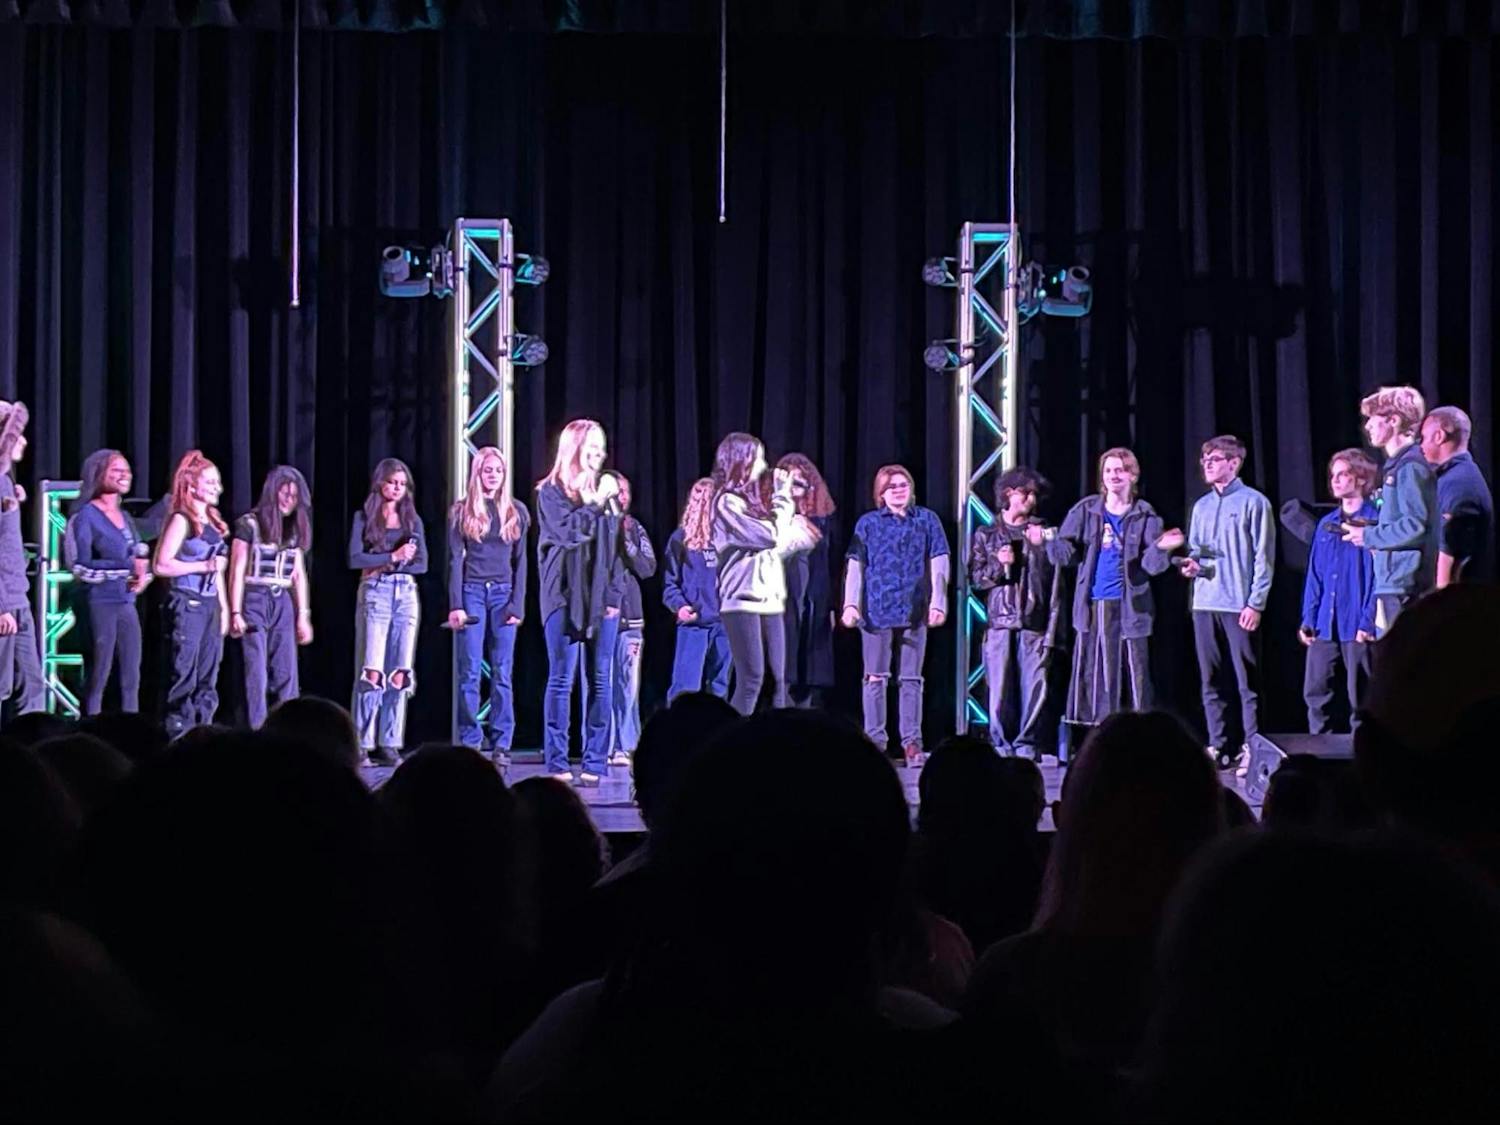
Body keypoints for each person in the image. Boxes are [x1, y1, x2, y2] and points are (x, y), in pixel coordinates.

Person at [1048, 448, 1173, 742]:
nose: (1113, 476)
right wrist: (1050, 540)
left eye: (1119, 470)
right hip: (1094, 603)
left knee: (1136, 673)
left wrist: (1163, 547)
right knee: (1099, 673)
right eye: (1108, 471)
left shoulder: (1144, 514)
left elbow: (1151, 566)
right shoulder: (1087, 510)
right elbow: (1066, 554)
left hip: (1132, 606)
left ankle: (1141, 739)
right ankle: (1102, 740)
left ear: (1132, 475)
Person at [1170, 435, 1274, 773]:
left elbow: (1264, 557)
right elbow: (1200, 552)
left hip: (1239, 604)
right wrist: (1192, 565)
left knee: (1247, 681)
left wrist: (1255, 603)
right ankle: (1219, 744)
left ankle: (1252, 746)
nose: (1207, 465)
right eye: (1205, 460)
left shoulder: (1254, 502)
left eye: (1215, 459)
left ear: (1234, 462)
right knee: (1210, 679)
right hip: (1205, 603)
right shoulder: (1200, 506)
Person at [842, 464, 949, 766]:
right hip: (876, 611)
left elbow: (939, 561)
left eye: (903, 484)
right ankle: (876, 742)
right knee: (875, 679)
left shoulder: (927, 520)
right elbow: (855, 565)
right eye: (892, 486)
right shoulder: (868, 524)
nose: (899, 490)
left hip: (915, 610)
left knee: (912, 679)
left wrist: (938, 602)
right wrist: (851, 604)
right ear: (881, 493)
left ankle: (912, 743)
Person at [535, 419, 624, 786]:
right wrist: (597, 503)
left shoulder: (606, 495)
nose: (599, 455)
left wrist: (615, 595)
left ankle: (595, 762)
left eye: (601, 448)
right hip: (562, 595)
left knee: (601, 679)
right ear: (573, 449)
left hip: (601, 598)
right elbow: (570, 533)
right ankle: (557, 762)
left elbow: (618, 550)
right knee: (561, 678)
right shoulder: (550, 492)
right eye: (592, 447)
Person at [710, 432, 818, 716]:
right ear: (741, 461)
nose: (764, 465)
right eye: (758, 458)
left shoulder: (755, 504)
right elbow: (767, 537)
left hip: (770, 599)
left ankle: (774, 746)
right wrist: (783, 496)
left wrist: (797, 539)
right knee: (752, 679)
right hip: (742, 601)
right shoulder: (726, 503)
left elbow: (771, 548)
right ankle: (731, 744)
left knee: (777, 680)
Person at [968, 467, 1063, 760]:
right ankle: (1000, 742)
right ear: (1009, 493)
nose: (1031, 499)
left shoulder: (1043, 533)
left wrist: (1052, 628)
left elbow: (1057, 583)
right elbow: (976, 579)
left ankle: (1027, 742)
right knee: (998, 687)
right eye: (1026, 493)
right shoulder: (986, 534)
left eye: (1035, 494)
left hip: (1034, 620)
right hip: (1000, 621)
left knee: (1035, 687)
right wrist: (999, 564)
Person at [446, 447, 529, 767]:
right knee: (469, 671)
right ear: (477, 473)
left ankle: (501, 742)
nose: (493, 475)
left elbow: (521, 563)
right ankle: (470, 740)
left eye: (497, 470)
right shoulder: (462, 511)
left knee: (502, 671)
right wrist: (456, 604)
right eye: (487, 470)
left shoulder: (516, 511)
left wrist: (517, 604)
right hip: (472, 592)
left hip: (504, 594)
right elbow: (455, 560)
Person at [348, 458, 427, 765]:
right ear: (380, 483)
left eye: (402, 483)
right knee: (371, 671)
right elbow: (355, 558)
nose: (397, 488)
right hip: (376, 592)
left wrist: (395, 562)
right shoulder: (364, 517)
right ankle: (363, 742)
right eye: (392, 482)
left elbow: (422, 564)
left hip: (405, 592)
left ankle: (390, 740)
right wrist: (391, 557)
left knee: (399, 672)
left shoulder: (412, 521)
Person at [1343, 386, 1438, 635]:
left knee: (1402, 664)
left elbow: (1415, 525)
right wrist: (1374, 532)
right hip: (1392, 582)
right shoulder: (1396, 467)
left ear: (1393, 421)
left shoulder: (1410, 467)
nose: (1367, 427)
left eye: (1372, 420)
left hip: (1403, 584)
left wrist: (1369, 537)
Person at [64, 450, 150, 715]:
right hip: (100, 603)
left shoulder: (124, 517)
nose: (124, 475)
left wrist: (142, 576)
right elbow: (79, 565)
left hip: (127, 602)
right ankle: (89, 729)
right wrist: (125, 567)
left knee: (131, 675)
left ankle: (130, 730)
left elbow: (136, 556)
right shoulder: (86, 515)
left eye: (126, 470)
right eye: (116, 470)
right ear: (98, 473)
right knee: (99, 672)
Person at [151, 451, 230, 739]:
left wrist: (223, 608)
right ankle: (178, 735)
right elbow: (161, 564)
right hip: (186, 603)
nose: (216, 488)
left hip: (209, 605)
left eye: (217, 483)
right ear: (192, 485)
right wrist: (202, 565)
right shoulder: (181, 520)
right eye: (210, 482)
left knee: (209, 676)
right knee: (183, 674)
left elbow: (218, 572)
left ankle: (203, 732)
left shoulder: (212, 521)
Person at [1298, 450, 1378, 734]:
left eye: (1343, 474)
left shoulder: (1376, 522)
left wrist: (1368, 620)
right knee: (1316, 693)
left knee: (1361, 700)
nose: (1336, 481)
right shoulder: (1326, 523)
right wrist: (1309, 618)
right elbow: (1315, 575)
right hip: (1324, 624)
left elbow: (1379, 578)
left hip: (1357, 624)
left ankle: (1363, 761)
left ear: (1361, 478)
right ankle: (1321, 760)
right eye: (1334, 475)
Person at [229, 466, 313, 729]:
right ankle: (257, 729)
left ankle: (289, 730)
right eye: (285, 493)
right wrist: (235, 612)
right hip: (255, 596)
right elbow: (237, 568)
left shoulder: (294, 529)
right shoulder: (249, 524)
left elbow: (298, 574)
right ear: (272, 492)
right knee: (256, 671)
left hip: (282, 600)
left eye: (294, 496)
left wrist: (303, 617)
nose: (289, 500)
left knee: (287, 670)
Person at [662, 478, 731, 702]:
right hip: (694, 624)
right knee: (685, 689)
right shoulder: (681, 540)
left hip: (725, 625)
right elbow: (669, 584)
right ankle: (678, 735)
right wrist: (680, 606)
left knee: (719, 688)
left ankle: (717, 735)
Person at [604, 471, 656, 767]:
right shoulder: (594, 524)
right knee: (603, 683)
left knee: (627, 684)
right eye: (616, 491)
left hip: (631, 619)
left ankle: (626, 744)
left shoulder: (633, 527)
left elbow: (647, 567)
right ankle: (604, 744)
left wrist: (626, 539)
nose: (621, 497)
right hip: (601, 618)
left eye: (625, 492)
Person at [778, 453, 837, 709]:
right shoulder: (771, 518)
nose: (794, 491)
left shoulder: (821, 521)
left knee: (812, 658)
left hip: (814, 597)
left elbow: (831, 565)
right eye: (788, 483)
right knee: (783, 658)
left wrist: (834, 604)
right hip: (780, 598)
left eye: (799, 484)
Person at [0, 400, 43, 726]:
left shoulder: (4, 483)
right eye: (17, 437)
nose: (24, 443)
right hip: (5, 603)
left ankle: (34, 756)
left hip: (18, 598)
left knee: (31, 685)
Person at [1419, 405, 1494, 586]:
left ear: (1439, 436)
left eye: (1423, 438)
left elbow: (1451, 555)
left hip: (1457, 604)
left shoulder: (1459, 483)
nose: (1420, 446)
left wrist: (1439, 607)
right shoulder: (1453, 476)